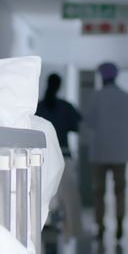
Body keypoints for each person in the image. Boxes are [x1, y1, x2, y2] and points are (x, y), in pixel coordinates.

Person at [83, 62, 128, 242]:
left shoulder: (96, 97)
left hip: (100, 151)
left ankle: (100, 227)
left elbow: (89, 122)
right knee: (120, 191)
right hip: (120, 153)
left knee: (98, 192)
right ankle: (120, 224)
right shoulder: (127, 97)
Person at [35, 73, 83, 241]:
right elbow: (77, 127)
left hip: (43, 157)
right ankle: (70, 231)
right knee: (69, 196)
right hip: (63, 155)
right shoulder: (66, 107)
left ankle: (44, 225)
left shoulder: (38, 107)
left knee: (46, 194)